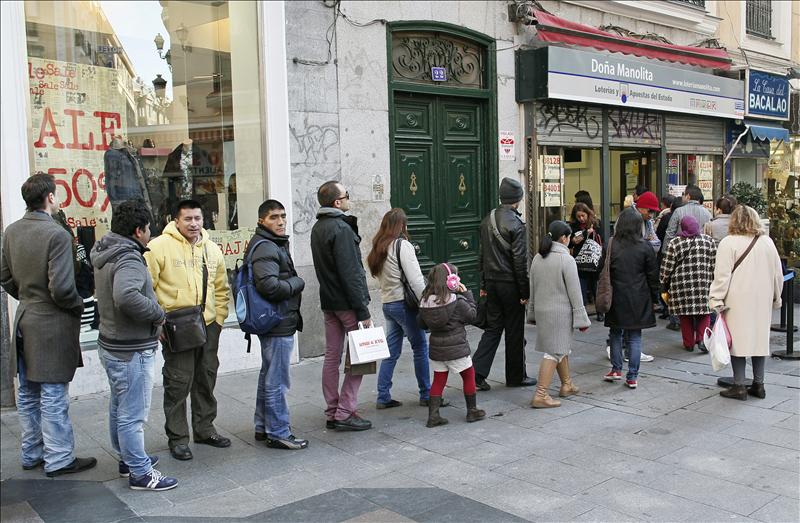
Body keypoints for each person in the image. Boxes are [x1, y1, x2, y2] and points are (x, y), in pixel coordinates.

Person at [0, 173, 96, 477]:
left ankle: (32, 453)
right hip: (51, 322)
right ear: (50, 197)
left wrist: (29, 296)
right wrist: (78, 305)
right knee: (53, 393)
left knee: (28, 392)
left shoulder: (12, 231)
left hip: (25, 317)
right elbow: (63, 289)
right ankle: (58, 458)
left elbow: (5, 278)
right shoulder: (57, 234)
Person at [91, 199, 178, 490]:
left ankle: (128, 459)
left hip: (113, 343)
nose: (150, 233)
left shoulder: (108, 250)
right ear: (138, 230)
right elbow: (126, 296)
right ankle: (140, 473)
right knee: (133, 414)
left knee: (120, 406)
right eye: (149, 228)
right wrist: (158, 313)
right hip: (130, 349)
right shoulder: (128, 257)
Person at [145, 199, 231, 461]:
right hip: (176, 326)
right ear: (175, 220)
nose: (194, 224)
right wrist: (157, 321)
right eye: (188, 219)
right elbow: (147, 287)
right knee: (178, 382)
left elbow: (221, 287)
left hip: (208, 324)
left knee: (206, 378)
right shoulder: (158, 247)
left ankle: (205, 429)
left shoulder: (212, 248)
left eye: (198, 219)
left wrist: (219, 319)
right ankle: (178, 438)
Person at [311, 181, 373, 431]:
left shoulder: (318, 228)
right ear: (337, 202)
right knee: (361, 356)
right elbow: (351, 273)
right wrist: (363, 311)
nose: (349, 199)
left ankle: (332, 409)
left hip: (329, 302)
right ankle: (345, 411)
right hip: (347, 303)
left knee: (332, 356)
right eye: (346, 195)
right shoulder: (341, 228)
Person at [246, 199, 308, 450]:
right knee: (277, 379)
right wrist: (297, 283)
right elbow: (269, 285)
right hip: (277, 319)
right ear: (262, 221)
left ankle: (263, 425)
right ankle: (279, 431)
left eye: (283, 216)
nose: (281, 221)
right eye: (274, 217)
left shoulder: (271, 243)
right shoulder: (267, 247)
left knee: (269, 374)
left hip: (275, 319)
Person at [709, 206, 783, 400]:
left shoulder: (728, 243)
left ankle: (739, 385)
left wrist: (715, 299)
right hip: (762, 298)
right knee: (759, 341)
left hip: (737, 298)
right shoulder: (767, 242)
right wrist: (777, 296)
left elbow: (721, 276)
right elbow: (778, 274)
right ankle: (759, 384)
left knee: (737, 342)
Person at [367, 208, 432, 409]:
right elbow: (415, 279)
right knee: (420, 346)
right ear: (401, 226)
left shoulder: (378, 247)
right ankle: (426, 394)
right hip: (405, 305)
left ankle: (383, 395)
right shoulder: (402, 246)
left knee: (391, 351)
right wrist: (426, 301)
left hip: (388, 303)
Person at [474, 177, 534, 391]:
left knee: (492, 329)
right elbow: (520, 262)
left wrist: (482, 283)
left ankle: (477, 373)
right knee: (515, 331)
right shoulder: (516, 224)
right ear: (517, 200)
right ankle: (516, 376)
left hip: (491, 282)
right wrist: (524, 291)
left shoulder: (486, 220)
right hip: (510, 284)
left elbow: (481, 256)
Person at [527, 221, 590, 408]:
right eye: (569, 237)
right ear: (564, 238)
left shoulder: (538, 258)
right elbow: (575, 292)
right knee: (554, 352)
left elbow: (532, 287)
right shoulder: (566, 260)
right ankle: (541, 394)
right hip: (560, 313)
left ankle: (567, 384)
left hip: (542, 310)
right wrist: (582, 317)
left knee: (561, 348)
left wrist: (532, 310)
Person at [418, 263, 485, 426]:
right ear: (451, 282)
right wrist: (467, 294)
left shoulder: (425, 301)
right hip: (457, 349)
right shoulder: (458, 301)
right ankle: (472, 411)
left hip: (436, 350)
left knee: (439, 380)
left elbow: (421, 324)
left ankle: (433, 416)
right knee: (468, 375)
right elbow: (472, 316)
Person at [603, 208, 659, 389]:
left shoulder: (611, 244)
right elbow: (652, 275)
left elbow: (602, 270)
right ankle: (632, 376)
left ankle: (616, 369)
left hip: (616, 295)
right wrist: (655, 297)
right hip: (639, 296)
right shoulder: (645, 246)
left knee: (615, 334)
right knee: (635, 337)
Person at [659, 216, 717, 353]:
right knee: (704, 313)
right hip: (704, 284)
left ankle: (689, 343)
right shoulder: (708, 241)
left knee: (685, 315)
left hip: (681, 286)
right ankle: (702, 339)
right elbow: (715, 263)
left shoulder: (675, 243)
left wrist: (663, 281)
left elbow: (667, 266)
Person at [568, 202, 602, 320]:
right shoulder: (573, 226)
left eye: (583, 216)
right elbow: (571, 242)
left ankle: (600, 312)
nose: (581, 219)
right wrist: (582, 235)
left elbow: (601, 239)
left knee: (595, 286)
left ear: (588, 214)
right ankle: (582, 313)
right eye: (578, 216)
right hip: (580, 260)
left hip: (594, 260)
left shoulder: (596, 224)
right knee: (581, 287)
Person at [662, 184, 712, 253]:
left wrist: (665, 252)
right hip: (701, 252)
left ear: (688, 196)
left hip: (681, 251)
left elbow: (670, 234)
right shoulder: (708, 213)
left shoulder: (678, 211)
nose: (682, 197)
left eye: (683, 194)